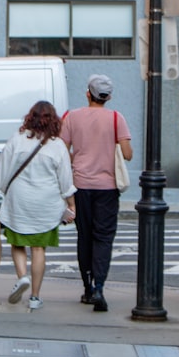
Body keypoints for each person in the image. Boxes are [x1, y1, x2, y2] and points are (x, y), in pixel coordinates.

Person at [0, 100, 77, 311]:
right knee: (38, 248)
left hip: (19, 201)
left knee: (18, 244)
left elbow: (1, 170)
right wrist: (71, 204)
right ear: (53, 121)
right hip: (46, 203)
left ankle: (22, 277)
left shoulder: (17, 140)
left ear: (30, 118)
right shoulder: (58, 146)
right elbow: (65, 180)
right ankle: (35, 297)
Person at [59, 74, 133, 312]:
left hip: (80, 185)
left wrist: (76, 158)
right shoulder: (116, 118)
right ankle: (99, 286)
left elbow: (61, 150)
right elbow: (128, 154)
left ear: (87, 94)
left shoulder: (71, 117)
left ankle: (87, 288)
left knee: (84, 236)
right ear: (108, 97)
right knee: (103, 237)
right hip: (108, 188)